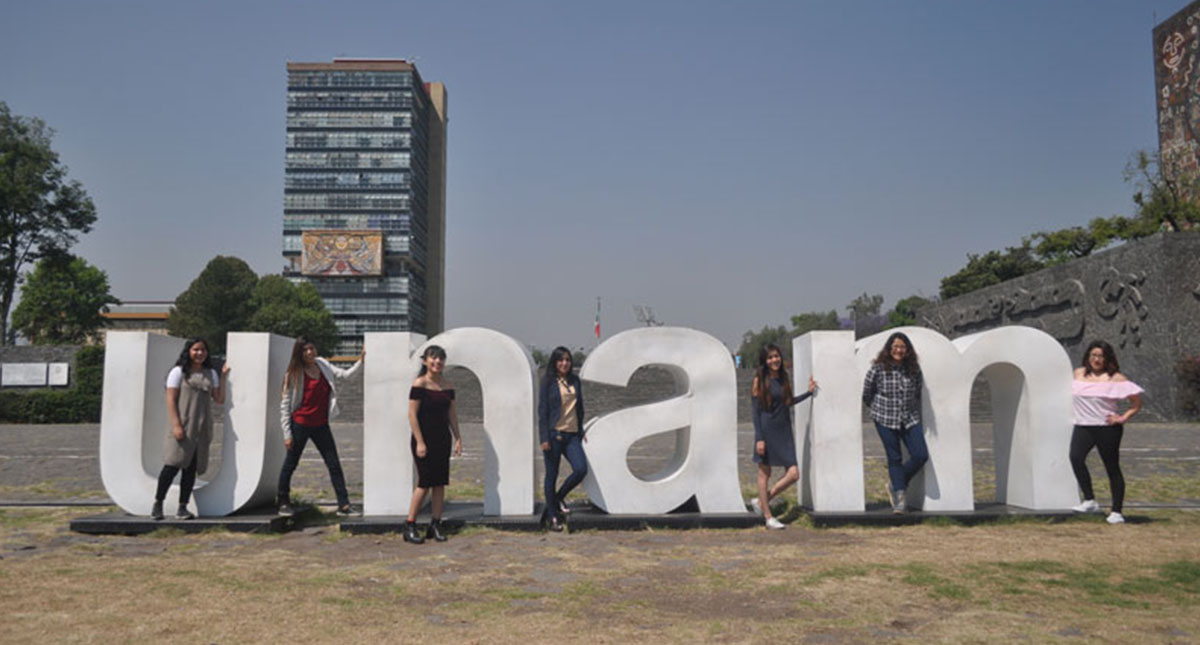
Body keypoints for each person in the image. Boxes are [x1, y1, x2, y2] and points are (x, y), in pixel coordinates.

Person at [277, 337, 363, 517]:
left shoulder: (322, 364)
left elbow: (345, 375)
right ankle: (283, 502)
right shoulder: (293, 373)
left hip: (321, 424)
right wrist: (287, 433)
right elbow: (285, 404)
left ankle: (344, 505)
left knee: (334, 464)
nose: (310, 352)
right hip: (300, 424)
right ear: (299, 353)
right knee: (290, 464)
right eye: (305, 350)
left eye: (312, 348)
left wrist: (361, 361)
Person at [152, 338, 229, 520]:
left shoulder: (211, 373)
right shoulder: (178, 372)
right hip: (184, 424)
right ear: (189, 351)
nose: (199, 353)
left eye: (203, 350)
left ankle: (183, 506)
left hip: (201, 427)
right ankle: (158, 503)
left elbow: (219, 399)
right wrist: (176, 425)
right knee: (172, 465)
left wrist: (224, 377)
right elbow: (170, 399)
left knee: (191, 469)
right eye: (196, 350)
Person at [1069, 340, 1143, 524]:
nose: (1096, 359)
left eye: (1100, 356)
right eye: (1093, 355)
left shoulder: (1117, 378)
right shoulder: (1078, 374)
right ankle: (1089, 500)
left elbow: (1136, 403)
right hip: (1083, 426)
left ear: (1107, 358)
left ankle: (1117, 511)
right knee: (1075, 458)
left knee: (1112, 468)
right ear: (1088, 356)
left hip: (1107, 428)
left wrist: (1122, 417)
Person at [748, 344, 816, 530]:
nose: (774, 360)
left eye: (776, 356)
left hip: (784, 430)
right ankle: (768, 517)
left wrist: (809, 393)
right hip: (767, 431)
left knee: (794, 474)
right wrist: (759, 438)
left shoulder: (783, 378)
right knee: (765, 473)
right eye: (770, 358)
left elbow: (788, 402)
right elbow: (756, 412)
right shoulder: (759, 380)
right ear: (765, 361)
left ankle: (762, 501)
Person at [862, 331, 928, 514]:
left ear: (907, 350)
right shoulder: (878, 369)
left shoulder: (914, 370)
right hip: (885, 418)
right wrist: (878, 408)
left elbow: (917, 391)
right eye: (895, 347)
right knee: (895, 458)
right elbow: (867, 393)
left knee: (921, 455)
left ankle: (896, 483)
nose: (899, 350)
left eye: (902, 347)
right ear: (889, 349)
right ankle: (900, 498)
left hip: (909, 418)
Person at [405, 345, 462, 544]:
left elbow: (452, 413)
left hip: (442, 440)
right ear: (425, 361)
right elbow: (412, 415)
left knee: (440, 483)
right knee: (424, 483)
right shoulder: (420, 384)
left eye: (441, 359)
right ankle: (410, 524)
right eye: (433, 358)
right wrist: (420, 441)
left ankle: (435, 524)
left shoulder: (448, 385)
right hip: (424, 440)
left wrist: (458, 437)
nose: (437, 362)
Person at [537, 346, 588, 532]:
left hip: (572, 435)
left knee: (581, 469)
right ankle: (552, 516)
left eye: (567, 360)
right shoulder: (548, 382)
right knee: (551, 475)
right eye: (561, 360)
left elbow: (579, 406)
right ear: (555, 362)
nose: (564, 363)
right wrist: (544, 437)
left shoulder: (575, 380)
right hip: (554, 435)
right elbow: (542, 411)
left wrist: (581, 429)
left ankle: (558, 497)